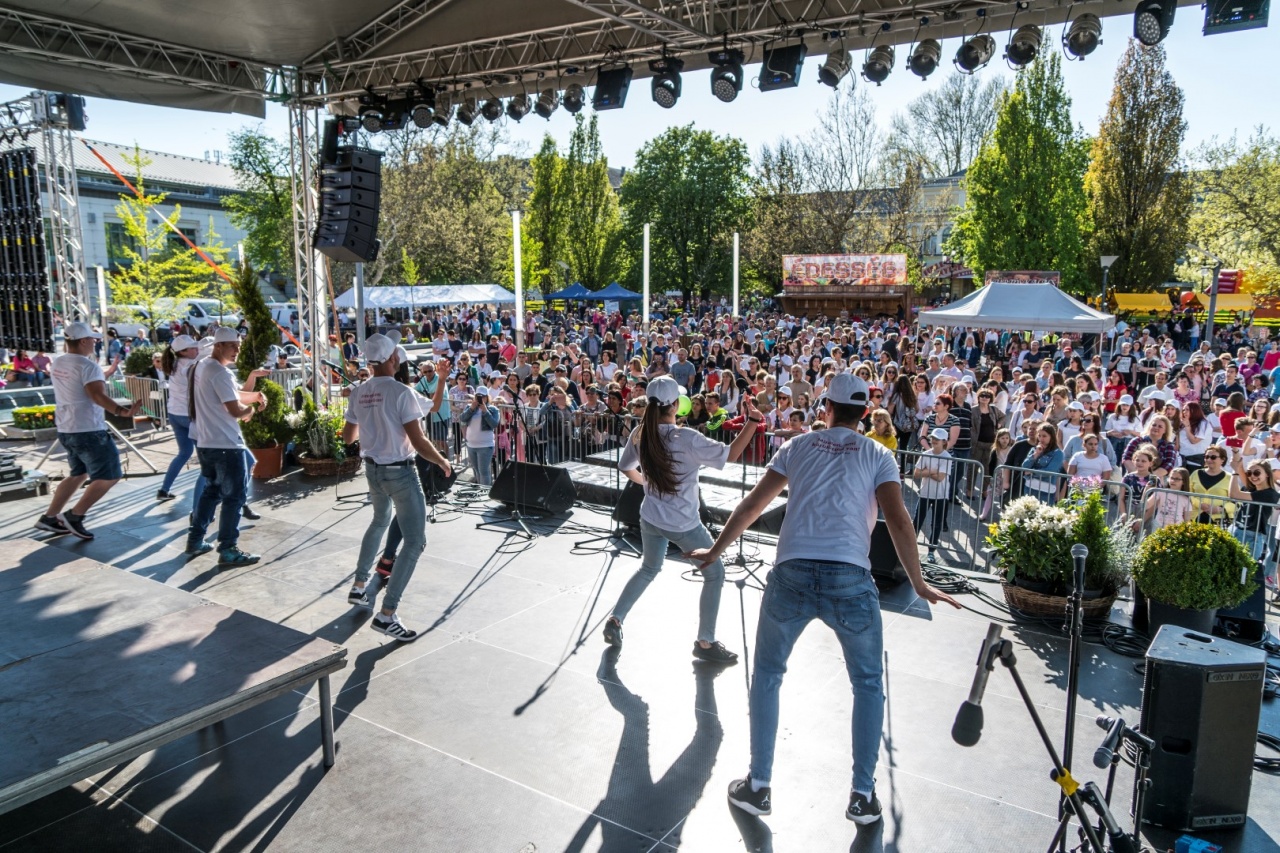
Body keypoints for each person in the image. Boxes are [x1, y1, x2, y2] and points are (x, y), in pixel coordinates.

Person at [686, 373, 960, 823]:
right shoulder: (877, 453)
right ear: (864, 414)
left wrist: (716, 550)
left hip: (791, 572)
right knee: (868, 684)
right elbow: (898, 521)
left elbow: (753, 505)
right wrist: (919, 581)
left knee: (768, 676)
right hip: (851, 577)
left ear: (826, 409)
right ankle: (862, 796)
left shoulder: (797, 446)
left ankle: (758, 786)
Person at [601, 376, 763, 664]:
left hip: (650, 517)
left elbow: (625, 467)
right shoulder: (686, 438)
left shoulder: (641, 432)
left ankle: (616, 618)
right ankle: (705, 642)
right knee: (715, 574)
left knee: (649, 568)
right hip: (684, 525)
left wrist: (648, 485)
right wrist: (752, 421)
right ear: (675, 405)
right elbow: (732, 454)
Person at [343, 334, 453, 642]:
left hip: (373, 471)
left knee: (379, 520)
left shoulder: (359, 392)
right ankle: (387, 613)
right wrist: (443, 461)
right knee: (415, 542)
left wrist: (370, 424)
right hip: (400, 474)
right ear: (394, 359)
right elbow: (419, 442)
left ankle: (360, 585)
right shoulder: (401, 393)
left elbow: (348, 437)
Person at [34, 323, 143, 540]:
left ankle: (49, 518)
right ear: (83, 341)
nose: (95, 341)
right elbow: (97, 395)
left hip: (67, 428)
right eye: (92, 339)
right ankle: (74, 516)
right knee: (110, 475)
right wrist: (123, 412)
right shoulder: (88, 366)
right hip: (88, 429)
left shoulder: (58, 362)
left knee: (78, 474)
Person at [185, 328, 266, 566]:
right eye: (233, 345)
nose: (237, 350)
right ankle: (228, 549)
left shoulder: (201, 367)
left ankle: (195, 539)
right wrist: (251, 410)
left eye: (239, 345)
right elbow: (234, 409)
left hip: (207, 442)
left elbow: (231, 394)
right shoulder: (219, 372)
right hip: (226, 445)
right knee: (234, 497)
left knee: (212, 492)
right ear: (218, 346)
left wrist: (254, 396)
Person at [156, 334, 208, 502]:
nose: (197, 349)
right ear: (184, 351)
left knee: (184, 453)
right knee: (208, 460)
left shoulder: (174, 363)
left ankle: (164, 489)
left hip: (175, 414)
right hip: (190, 416)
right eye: (193, 347)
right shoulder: (191, 365)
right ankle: (199, 506)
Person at [913, 427, 954, 563]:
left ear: (944, 442)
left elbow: (940, 477)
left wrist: (926, 471)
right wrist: (932, 471)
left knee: (936, 524)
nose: (934, 441)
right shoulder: (926, 454)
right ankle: (910, 548)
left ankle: (931, 551)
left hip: (941, 495)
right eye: (933, 438)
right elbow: (916, 474)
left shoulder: (947, 457)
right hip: (925, 493)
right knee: (917, 521)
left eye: (937, 439)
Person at [459, 385, 499, 485]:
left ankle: (485, 495)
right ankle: (479, 493)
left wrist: (485, 411)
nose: (481, 399)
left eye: (483, 397)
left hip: (485, 445)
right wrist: (471, 408)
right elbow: (463, 418)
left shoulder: (493, 409)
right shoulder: (470, 407)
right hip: (471, 445)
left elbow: (494, 424)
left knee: (484, 472)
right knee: (477, 471)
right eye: (478, 396)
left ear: (487, 397)